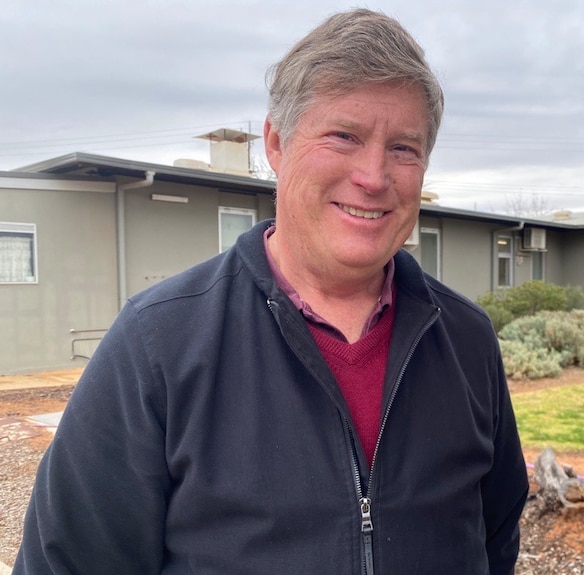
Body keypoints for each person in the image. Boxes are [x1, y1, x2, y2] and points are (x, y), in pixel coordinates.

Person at [13, 8, 528, 575]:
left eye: (404, 148)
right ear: (276, 144)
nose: (374, 176)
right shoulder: (158, 344)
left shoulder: (467, 340)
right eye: (344, 136)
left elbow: (495, 539)